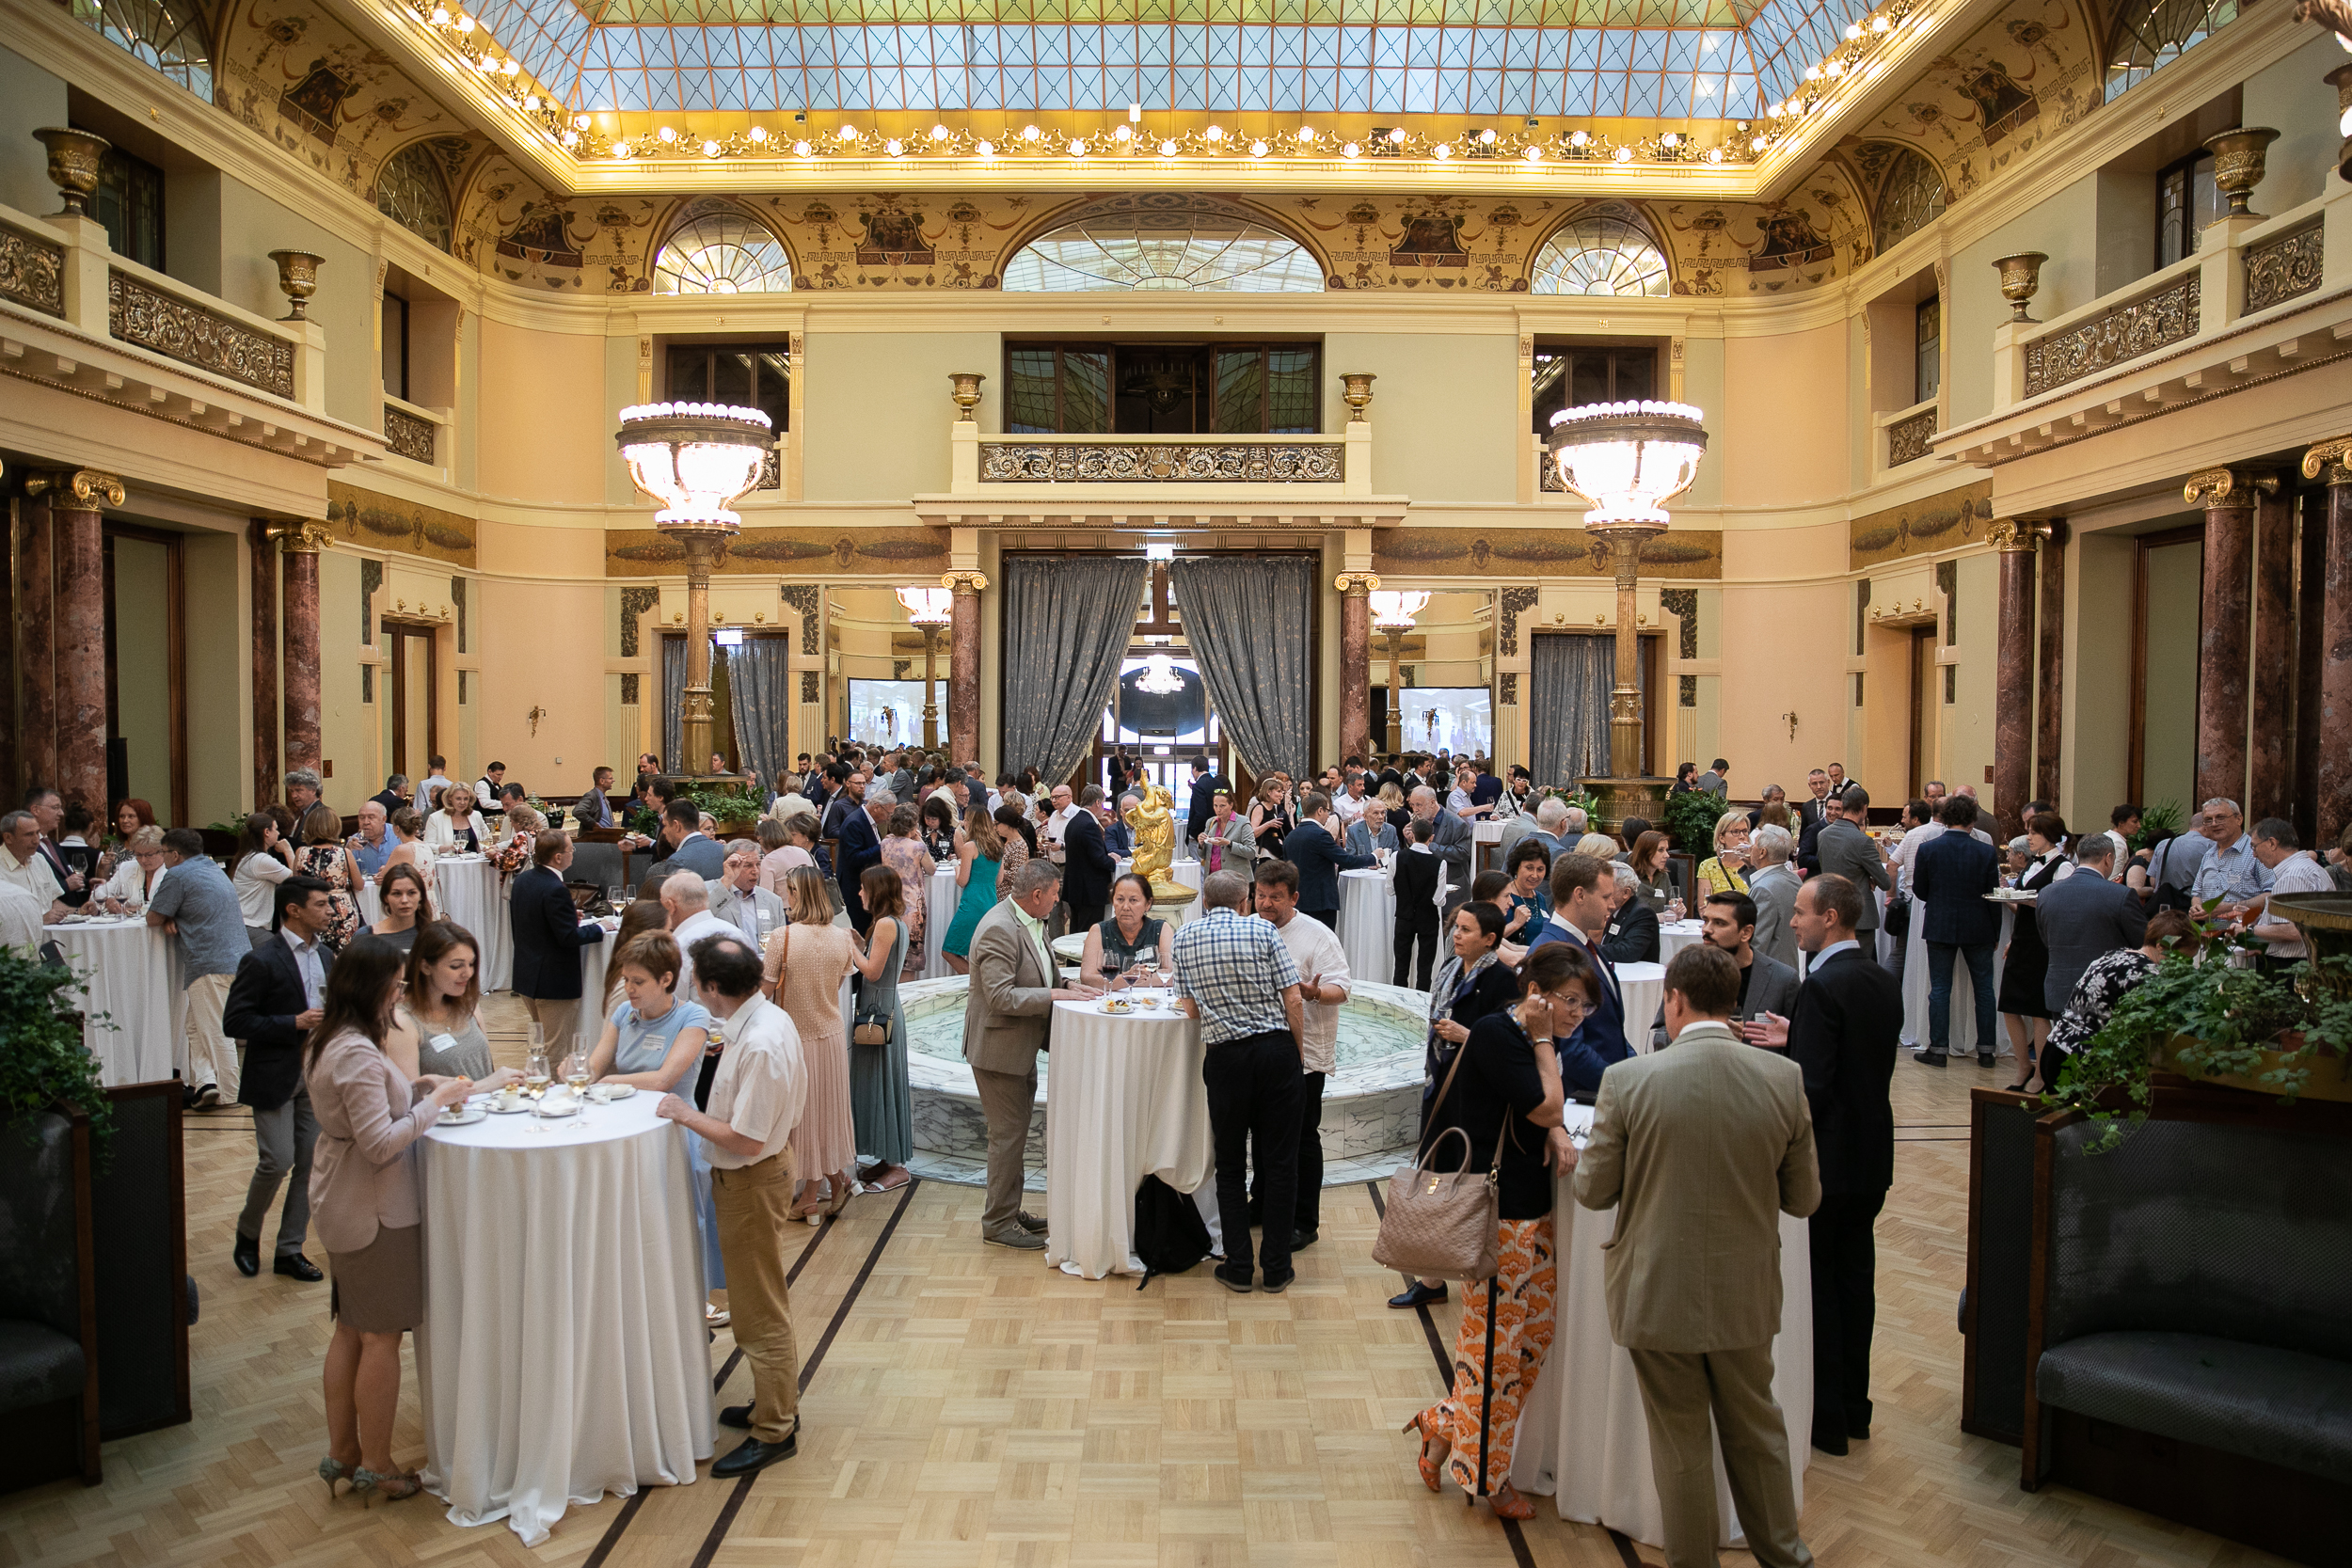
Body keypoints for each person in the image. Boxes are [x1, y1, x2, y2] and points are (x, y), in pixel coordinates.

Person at [1573, 943, 1820, 1568]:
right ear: (1733, 1005)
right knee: (1758, 1428)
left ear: (1673, 1000)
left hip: (1656, 1290)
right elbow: (1805, 1197)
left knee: (1680, 1440)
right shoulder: (1784, 1078)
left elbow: (1595, 1188)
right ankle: (1786, 1555)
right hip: (1746, 1290)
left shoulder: (1627, 1080)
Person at [1404, 940, 1587, 1520]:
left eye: (1585, 1005)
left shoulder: (1524, 1038)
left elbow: (1541, 1114)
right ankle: (1485, 1477)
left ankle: (1442, 1422)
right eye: (1570, 1001)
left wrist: (1551, 1124)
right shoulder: (1501, 1035)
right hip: (1498, 1216)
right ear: (1536, 995)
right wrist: (1542, 1042)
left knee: (1533, 1338)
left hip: (1532, 1211)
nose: (1578, 1014)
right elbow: (1549, 1108)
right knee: (1495, 1354)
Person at [308, 942, 493, 1503]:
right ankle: (380, 1463)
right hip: (374, 1208)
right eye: (392, 986)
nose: (399, 993)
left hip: (344, 1197)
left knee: (349, 1329)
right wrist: (431, 1107)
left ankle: (342, 1451)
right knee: (380, 1336)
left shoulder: (333, 1038)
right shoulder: (358, 1053)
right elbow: (381, 1144)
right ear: (369, 989)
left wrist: (420, 1088)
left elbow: (370, 1107)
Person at [1747, 874, 1901, 1457]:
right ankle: (1855, 1410)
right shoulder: (1878, 979)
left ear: (1831, 917)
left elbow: (1811, 1087)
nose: (1793, 922)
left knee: (1822, 1292)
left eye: (1803, 914)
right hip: (1872, 1156)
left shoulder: (1822, 987)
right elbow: (1856, 1058)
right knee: (1857, 1283)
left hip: (1829, 1164)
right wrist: (1800, 1035)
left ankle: (1825, 1419)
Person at [657, 933, 808, 1478]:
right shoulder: (764, 1022)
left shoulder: (761, 1041)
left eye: (697, 980)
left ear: (714, 987)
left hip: (751, 1179)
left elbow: (744, 1139)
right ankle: (777, 1402)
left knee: (758, 1307)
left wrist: (683, 1113)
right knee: (757, 1299)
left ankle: (776, 1429)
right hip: (757, 1175)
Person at [1172, 869, 1307, 1293]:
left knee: (1229, 1166)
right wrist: (1296, 1055)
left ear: (1205, 904)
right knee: (1281, 1164)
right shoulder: (1264, 933)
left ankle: (1238, 1267)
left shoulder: (1184, 937)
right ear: (1246, 901)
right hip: (1274, 1053)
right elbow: (1293, 997)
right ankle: (1277, 1268)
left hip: (1226, 1059)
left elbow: (1190, 1010)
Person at [1389, 901, 1521, 1310]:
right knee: (1435, 1176)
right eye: (1456, 927)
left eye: (1466, 929)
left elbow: (1512, 1041)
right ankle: (1433, 1277)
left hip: (1477, 1100)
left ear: (1490, 939)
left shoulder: (1501, 980)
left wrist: (1470, 1035)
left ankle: (1476, 1267)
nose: (1456, 935)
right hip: (1442, 1089)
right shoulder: (1449, 970)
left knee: (1471, 1184)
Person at [962, 860, 1097, 1248]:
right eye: (1055, 895)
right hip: (998, 1053)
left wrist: (1071, 985)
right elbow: (1001, 996)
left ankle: (1009, 1208)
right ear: (1036, 895)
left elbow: (1039, 973)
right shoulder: (998, 930)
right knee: (1006, 1139)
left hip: (1019, 1049)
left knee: (1015, 1137)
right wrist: (1058, 994)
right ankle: (998, 1223)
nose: (1058, 902)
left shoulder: (1027, 921)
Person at [224, 875, 339, 1284]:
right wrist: (293, 1022)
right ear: (293, 910)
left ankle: (290, 1249)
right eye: (322, 904)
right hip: (274, 1075)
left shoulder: (326, 956)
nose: (330, 910)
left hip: (315, 1075)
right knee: (277, 1160)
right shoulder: (261, 959)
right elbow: (234, 1021)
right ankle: (248, 1232)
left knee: (310, 1163)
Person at [1251, 860, 1349, 1248]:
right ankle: (1261, 1205)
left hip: (1304, 1056)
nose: (1266, 904)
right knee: (1260, 1133)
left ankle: (1304, 1221)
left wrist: (1314, 993)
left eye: (1275, 897)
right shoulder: (1250, 930)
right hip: (1260, 1052)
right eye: (1260, 895)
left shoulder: (1316, 936)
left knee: (1302, 1138)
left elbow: (1342, 988)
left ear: (1294, 897)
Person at [763, 864, 860, 1219]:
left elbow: (765, 991)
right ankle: (831, 1184)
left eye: (789, 890)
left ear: (797, 894)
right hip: (832, 1035)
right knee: (828, 1115)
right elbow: (835, 986)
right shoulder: (842, 937)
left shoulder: (781, 937)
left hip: (796, 1037)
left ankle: (810, 1194)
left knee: (799, 1117)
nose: (786, 897)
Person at [148, 828, 247, 1106]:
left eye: (163, 852)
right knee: (194, 1027)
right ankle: (206, 1083)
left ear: (175, 854)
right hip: (236, 958)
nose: (162, 857)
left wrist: (169, 916)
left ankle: (230, 1095)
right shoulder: (213, 868)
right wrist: (175, 915)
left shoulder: (178, 874)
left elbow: (153, 917)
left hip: (209, 962)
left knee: (215, 1029)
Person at [2044, 911, 2199, 1085]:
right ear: (2162, 946)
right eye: (2184, 958)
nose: (2185, 966)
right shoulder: (2148, 976)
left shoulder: (2116, 954)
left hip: (2056, 1048)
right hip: (2079, 1063)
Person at [1525, 852, 1633, 1088]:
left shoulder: (1582, 942)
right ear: (1580, 895)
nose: (1613, 905)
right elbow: (1570, 1050)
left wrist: (1636, 1069)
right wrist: (1627, 1083)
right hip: (1580, 1101)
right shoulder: (1551, 950)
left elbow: (1609, 1030)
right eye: (1606, 897)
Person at [1912, 795, 2005, 1069]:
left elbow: (1919, 890)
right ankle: (1986, 1050)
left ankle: (1938, 1049)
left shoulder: (1928, 849)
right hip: (1979, 924)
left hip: (1940, 922)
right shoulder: (1986, 851)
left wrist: (1939, 900)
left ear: (1944, 818)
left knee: (1940, 988)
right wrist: (1996, 931)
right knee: (1984, 989)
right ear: (1972, 820)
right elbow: (1993, 894)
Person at [2035, 835, 2149, 1054]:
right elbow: (2143, 944)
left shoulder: (2047, 893)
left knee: (2066, 1061)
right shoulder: (2121, 895)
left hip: (2060, 989)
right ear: (2108, 858)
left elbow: (2046, 939)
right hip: (2107, 994)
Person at [848, 863, 914, 1192]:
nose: (859, 893)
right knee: (878, 1083)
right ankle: (887, 1159)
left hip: (880, 1011)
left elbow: (872, 972)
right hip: (881, 1007)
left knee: (885, 1084)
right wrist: (862, 944)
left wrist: (851, 949)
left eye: (863, 888)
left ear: (876, 891)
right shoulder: (889, 923)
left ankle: (898, 1166)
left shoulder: (887, 924)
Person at [510, 834, 607, 1058]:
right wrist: (601, 927)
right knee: (555, 1050)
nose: (573, 853)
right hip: (553, 982)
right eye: (571, 849)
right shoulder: (555, 888)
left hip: (527, 975)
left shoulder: (524, 880)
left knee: (543, 1045)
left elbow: (530, 919)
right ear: (558, 857)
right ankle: (551, 1091)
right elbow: (568, 938)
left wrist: (567, 915)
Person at [1989, 809, 2070, 1075]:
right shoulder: (2034, 864)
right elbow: (2023, 904)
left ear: (2048, 835)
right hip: (2022, 938)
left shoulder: (2063, 866)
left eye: (2033, 832)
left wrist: (2027, 901)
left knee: (2038, 1010)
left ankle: (2041, 1072)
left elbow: (2060, 906)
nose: (2029, 837)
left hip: (2043, 942)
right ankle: (2023, 1065)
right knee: (2010, 1006)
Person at [586, 929, 711, 1089]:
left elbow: (663, 1080)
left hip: (670, 1112)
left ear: (666, 980)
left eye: (638, 982)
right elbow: (595, 1068)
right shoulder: (624, 1011)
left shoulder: (693, 1016)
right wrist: (578, 1072)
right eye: (626, 979)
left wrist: (607, 1081)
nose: (628, 989)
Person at [391, 921, 496, 1082]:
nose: (468, 973)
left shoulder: (468, 1006)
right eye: (456, 966)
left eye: (471, 964)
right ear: (426, 967)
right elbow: (411, 1099)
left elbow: (488, 1071)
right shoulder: (403, 1021)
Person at [1700, 891, 1801, 1027]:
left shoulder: (1783, 980)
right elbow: (1662, 1033)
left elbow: (1801, 1038)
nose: (1707, 929)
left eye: (1719, 923)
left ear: (1746, 933)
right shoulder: (1686, 973)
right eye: (1705, 921)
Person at [1283, 790, 1375, 929]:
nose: (1328, 814)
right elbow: (1347, 861)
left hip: (1298, 902)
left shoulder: (1291, 836)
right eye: (1327, 810)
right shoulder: (1320, 835)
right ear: (1319, 811)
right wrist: (1373, 857)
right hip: (1320, 903)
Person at [1815, 787, 1891, 952]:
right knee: (1858, 970)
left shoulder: (1823, 835)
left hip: (1831, 911)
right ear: (1864, 809)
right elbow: (1885, 882)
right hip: (1859, 917)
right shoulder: (1862, 841)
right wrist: (1869, 877)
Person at [941, 805, 1007, 974]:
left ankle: (975, 980)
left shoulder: (970, 846)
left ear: (972, 822)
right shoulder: (998, 846)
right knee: (980, 950)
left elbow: (962, 881)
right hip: (991, 903)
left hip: (972, 904)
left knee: (949, 951)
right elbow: (999, 881)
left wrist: (957, 867)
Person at [1081, 872, 1173, 990]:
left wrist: (1117, 982)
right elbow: (1087, 978)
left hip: (1151, 1001)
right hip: (1110, 1004)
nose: (1125, 907)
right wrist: (1127, 977)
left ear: (1148, 904)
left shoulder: (1160, 929)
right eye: (1120, 899)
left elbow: (1170, 975)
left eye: (1133, 900)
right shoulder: (1099, 930)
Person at [294, 803, 362, 949]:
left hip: (309, 906)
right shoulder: (343, 853)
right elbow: (359, 885)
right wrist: (342, 885)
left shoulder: (301, 852)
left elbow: (296, 882)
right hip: (339, 910)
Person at [876, 806, 932, 979]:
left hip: (888, 902)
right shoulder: (917, 847)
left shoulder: (884, 844)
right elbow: (931, 869)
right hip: (911, 904)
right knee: (909, 959)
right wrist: (920, 841)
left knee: (890, 953)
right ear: (913, 826)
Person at [1391, 816, 1444, 989]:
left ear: (1412, 835)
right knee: (1425, 969)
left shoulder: (1396, 857)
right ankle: (1422, 1007)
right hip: (1428, 918)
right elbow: (1438, 899)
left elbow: (1390, 890)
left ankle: (1398, 1005)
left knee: (1400, 967)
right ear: (1431, 837)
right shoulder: (1440, 863)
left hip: (1404, 916)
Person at [230, 811, 296, 948]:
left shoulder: (247, 855)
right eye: (276, 829)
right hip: (250, 925)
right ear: (267, 832)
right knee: (282, 954)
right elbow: (298, 880)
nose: (278, 833)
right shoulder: (261, 860)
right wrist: (288, 850)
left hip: (240, 923)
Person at [2188, 798, 2269, 908]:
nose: (2214, 824)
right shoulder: (2209, 855)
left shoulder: (2255, 852)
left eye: (2220, 818)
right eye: (2208, 820)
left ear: (2239, 819)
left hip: (2243, 924)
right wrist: (2196, 906)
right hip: (2209, 924)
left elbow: (2271, 895)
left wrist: (2231, 907)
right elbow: (2197, 894)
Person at [1407, 785, 1474, 918]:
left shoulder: (1457, 823)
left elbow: (1463, 853)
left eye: (1419, 805)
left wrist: (1430, 846)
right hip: (1424, 890)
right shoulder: (1416, 821)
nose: (1415, 810)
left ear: (1432, 802)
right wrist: (1410, 840)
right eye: (1412, 805)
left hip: (1450, 890)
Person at [708, 840, 787, 950]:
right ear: (730, 865)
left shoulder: (773, 901)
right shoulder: (710, 891)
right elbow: (704, 918)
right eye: (748, 865)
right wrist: (727, 880)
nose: (755, 871)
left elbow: (782, 944)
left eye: (758, 864)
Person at [1060, 783, 1117, 934]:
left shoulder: (1074, 821)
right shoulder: (1089, 825)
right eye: (1103, 803)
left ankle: (1071, 959)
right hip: (1089, 892)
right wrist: (1114, 861)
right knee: (1087, 935)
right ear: (1097, 802)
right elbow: (1098, 859)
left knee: (1076, 933)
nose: (1103, 808)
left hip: (1075, 888)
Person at [1748, 826, 1803, 971]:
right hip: (1789, 966)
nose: (1750, 848)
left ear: (1762, 852)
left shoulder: (1763, 890)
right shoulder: (1794, 879)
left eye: (1754, 844)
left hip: (1769, 974)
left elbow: (1757, 943)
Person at [836, 785, 888, 934]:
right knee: (861, 931)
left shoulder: (868, 820)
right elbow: (854, 858)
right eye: (888, 813)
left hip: (867, 884)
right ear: (877, 807)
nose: (888, 818)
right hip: (855, 886)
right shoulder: (855, 822)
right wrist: (881, 847)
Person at [355, 863, 435, 957]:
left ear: (421, 896)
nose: (404, 900)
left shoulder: (432, 936)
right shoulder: (366, 936)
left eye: (411, 893)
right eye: (397, 894)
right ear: (385, 897)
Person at [1600, 862, 1661, 965]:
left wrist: (1587, 949)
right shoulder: (1615, 911)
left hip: (1637, 977)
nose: (1602, 891)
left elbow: (1628, 951)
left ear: (1626, 893)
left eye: (1608, 887)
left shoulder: (1643, 913)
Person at [98, 825, 167, 913]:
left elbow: (170, 906)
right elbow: (99, 893)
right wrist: (108, 901)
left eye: (149, 855)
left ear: (162, 851)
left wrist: (140, 908)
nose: (143, 860)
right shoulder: (127, 868)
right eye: (138, 855)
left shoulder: (173, 872)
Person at [659, 797, 728, 880]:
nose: (664, 832)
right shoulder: (725, 851)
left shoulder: (677, 862)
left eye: (665, 825)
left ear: (676, 825)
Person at [1500, 839, 1552, 945]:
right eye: (1529, 868)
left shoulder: (1539, 897)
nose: (1535, 875)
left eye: (1540, 869)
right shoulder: (1502, 896)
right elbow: (1485, 940)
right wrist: (1515, 924)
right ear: (1516, 868)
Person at [1196, 788, 1256, 876]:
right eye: (1215, 805)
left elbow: (1251, 853)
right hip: (1213, 876)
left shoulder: (1243, 822)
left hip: (1235, 878)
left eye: (1222, 806)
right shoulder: (1211, 822)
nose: (1218, 810)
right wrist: (1201, 844)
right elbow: (1203, 855)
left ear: (1231, 805)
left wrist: (1229, 844)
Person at [1698, 809, 1754, 897]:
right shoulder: (1708, 866)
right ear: (1722, 838)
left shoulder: (1754, 865)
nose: (1742, 837)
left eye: (1745, 831)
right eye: (1735, 832)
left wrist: (1751, 863)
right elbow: (1704, 907)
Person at [1626, 830, 1679, 919]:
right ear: (1645, 852)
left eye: (1666, 850)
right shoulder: (1629, 877)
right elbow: (1625, 914)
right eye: (1660, 850)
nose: (1667, 855)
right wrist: (1656, 917)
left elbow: (1669, 908)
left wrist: (1677, 912)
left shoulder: (1664, 876)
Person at [420, 784, 487, 854]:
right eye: (458, 799)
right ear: (450, 798)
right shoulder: (435, 818)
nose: (462, 802)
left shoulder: (476, 815)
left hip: (475, 861)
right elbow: (427, 845)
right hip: (448, 862)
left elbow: (487, 837)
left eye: (466, 799)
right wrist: (446, 848)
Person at [1793, 770, 1836, 873]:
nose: (1819, 786)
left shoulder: (1839, 802)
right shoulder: (1807, 806)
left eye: (1822, 782)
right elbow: (1804, 833)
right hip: (1814, 859)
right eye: (1814, 784)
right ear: (1809, 786)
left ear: (1828, 783)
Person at [1185, 755, 1225, 847]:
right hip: (1218, 831)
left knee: (1197, 860)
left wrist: (1193, 833)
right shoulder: (1218, 783)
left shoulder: (1199, 786)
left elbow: (1200, 813)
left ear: (1195, 768)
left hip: (1201, 835)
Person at [576, 766, 619, 830]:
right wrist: (594, 824)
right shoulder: (591, 795)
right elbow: (578, 811)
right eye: (610, 778)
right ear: (602, 781)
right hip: (594, 837)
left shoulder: (602, 797)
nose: (613, 780)